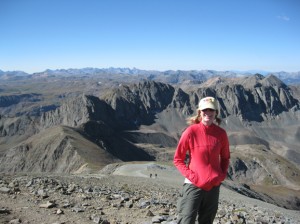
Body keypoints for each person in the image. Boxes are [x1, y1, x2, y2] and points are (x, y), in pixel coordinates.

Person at [173, 96, 230, 224]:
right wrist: (192, 177)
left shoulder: (221, 133)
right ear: (199, 112)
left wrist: (221, 175)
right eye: (205, 110)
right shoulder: (190, 131)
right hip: (193, 185)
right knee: (186, 220)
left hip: (213, 187)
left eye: (211, 110)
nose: (208, 113)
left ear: (216, 113)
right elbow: (178, 159)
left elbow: (225, 157)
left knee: (207, 221)